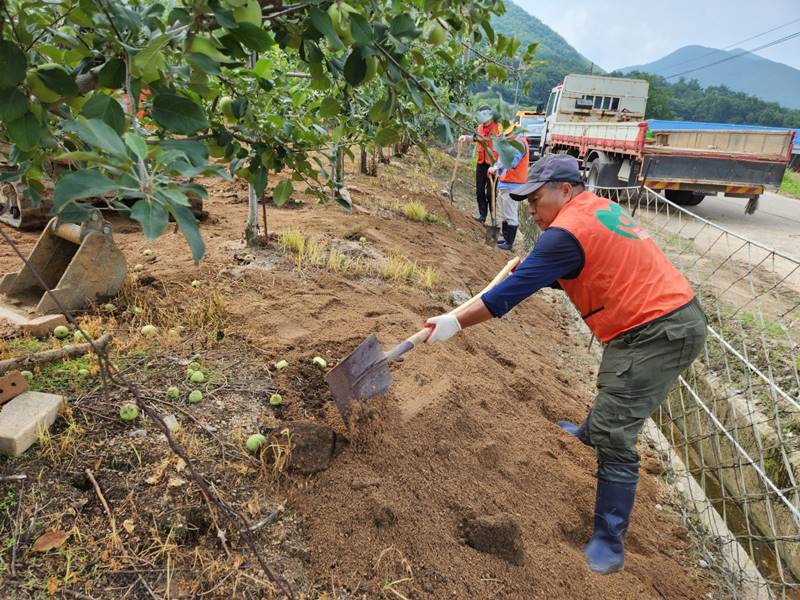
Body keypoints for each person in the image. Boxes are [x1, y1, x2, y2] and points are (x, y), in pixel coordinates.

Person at [422, 154, 707, 575]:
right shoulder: (597, 209)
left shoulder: (564, 233)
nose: (531, 211)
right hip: (660, 317)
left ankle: (609, 541)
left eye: (536, 200)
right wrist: (542, 270)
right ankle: (589, 432)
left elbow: (504, 298)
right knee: (615, 387)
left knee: (617, 431)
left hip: (657, 331)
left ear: (566, 190)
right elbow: (589, 260)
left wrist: (453, 323)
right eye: (526, 202)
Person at [459, 106, 501, 223]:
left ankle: (493, 217)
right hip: (481, 162)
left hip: (492, 164)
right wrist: (465, 137)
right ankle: (482, 215)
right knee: (479, 191)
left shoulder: (497, 126)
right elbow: (476, 138)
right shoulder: (480, 127)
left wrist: (498, 165)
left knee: (490, 193)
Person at [488, 133, 529, 250]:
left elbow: (512, 162)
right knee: (505, 213)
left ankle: (509, 243)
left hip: (513, 185)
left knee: (510, 214)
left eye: (507, 134)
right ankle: (506, 239)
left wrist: (497, 167)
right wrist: (496, 167)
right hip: (505, 182)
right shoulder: (510, 143)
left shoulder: (520, 143)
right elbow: (502, 158)